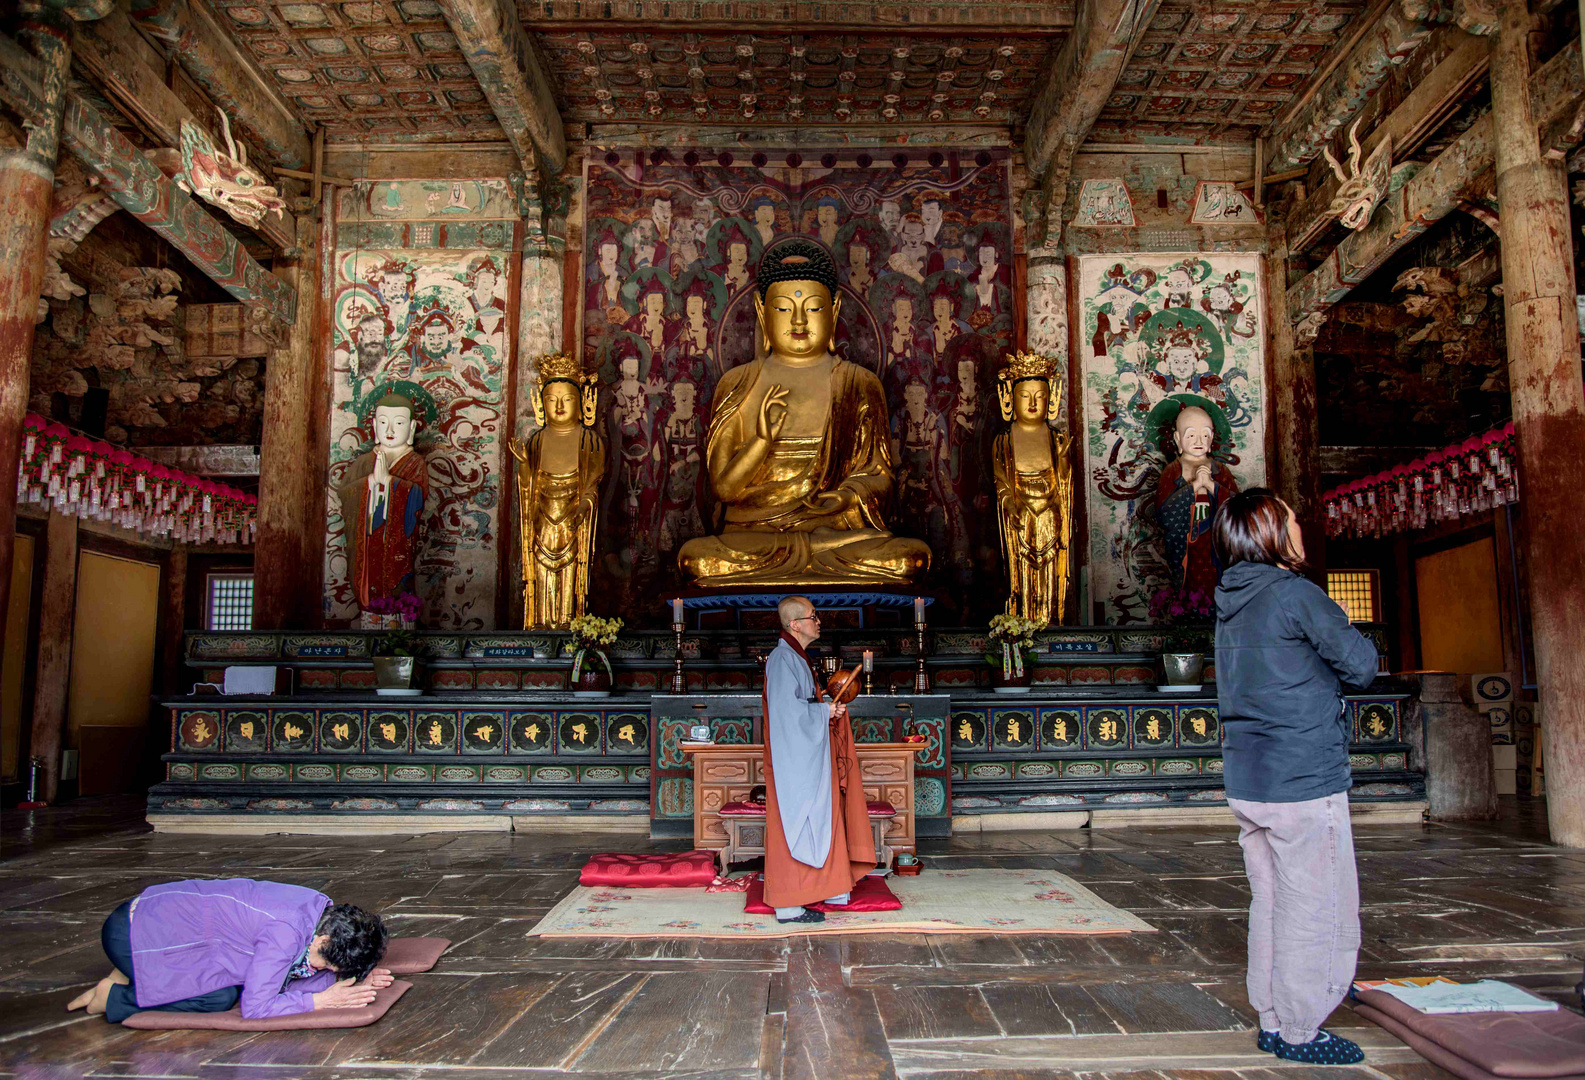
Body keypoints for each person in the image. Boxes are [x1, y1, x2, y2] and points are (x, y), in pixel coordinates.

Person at [1212, 490, 1380, 1066]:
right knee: (1316, 903)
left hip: (1249, 779)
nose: (1299, 526)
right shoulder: (1295, 595)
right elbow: (1360, 667)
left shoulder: (1230, 600)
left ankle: (1273, 1018)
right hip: (1301, 775)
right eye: (1290, 519)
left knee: (1274, 900)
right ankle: (1302, 1029)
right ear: (1270, 534)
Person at [67, 878, 391, 1023]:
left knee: (234, 983)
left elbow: (297, 970)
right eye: (327, 966)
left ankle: (131, 971)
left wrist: (353, 976)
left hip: (156, 921)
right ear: (322, 941)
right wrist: (319, 1001)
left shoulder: (320, 909)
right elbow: (257, 1007)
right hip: (134, 933)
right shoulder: (286, 933)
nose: (321, 972)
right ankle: (112, 997)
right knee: (218, 998)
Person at [762, 595, 877, 924]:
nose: (819, 621)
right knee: (794, 820)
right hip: (794, 763)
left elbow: (801, 707)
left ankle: (807, 894)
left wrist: (825, 709)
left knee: (815, 818)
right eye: (814, 617)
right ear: (795, 624)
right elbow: (787, 714)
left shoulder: (795, 658)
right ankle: (788, 904)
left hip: (807, 758)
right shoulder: (782, 659)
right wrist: (823, 710)